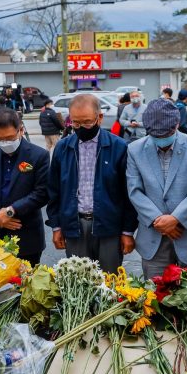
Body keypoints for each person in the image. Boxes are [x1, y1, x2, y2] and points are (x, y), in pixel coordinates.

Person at [47, 94, 137, 272]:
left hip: (109, 225)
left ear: (99, 118)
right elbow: (54, 191)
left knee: (109, 282)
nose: (82, 128)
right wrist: (56, 226)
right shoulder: (63, 148)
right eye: (76, 123)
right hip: (74, 225)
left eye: (87, 122)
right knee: (79, 284)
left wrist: (127, 231)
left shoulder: (119, 147)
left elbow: (129, 193)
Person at [126, 99, 187, 279]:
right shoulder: (134, 150)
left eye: (166, 133)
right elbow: (134, 190)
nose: (162, 139)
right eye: (156, 135)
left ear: (177, 124)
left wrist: (175, 219)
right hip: (153, 239)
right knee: (155, 299)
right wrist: (159, 221)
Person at [0, 108, 50, 265]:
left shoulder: (38, 155)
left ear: (20, 130)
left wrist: (11, 211)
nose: (5, 143)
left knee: (26, 286)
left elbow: (42, 193)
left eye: (9, 138)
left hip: (27, 237)